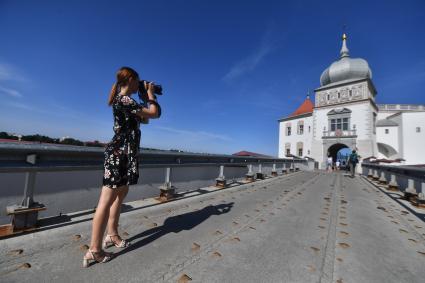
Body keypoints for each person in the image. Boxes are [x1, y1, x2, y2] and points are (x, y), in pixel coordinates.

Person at [83, 67, 160, 267]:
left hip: (126, 156)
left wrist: (145, 96)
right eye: (139, 82)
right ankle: (95, 250)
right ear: (132, 80)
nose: (140, 84)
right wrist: (151, 95)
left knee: (120, 195)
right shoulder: (124, 100)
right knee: (106, 201)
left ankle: (112, 235)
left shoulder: (127, 102)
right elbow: (155, 113)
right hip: (118, 155)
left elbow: (146, 119)